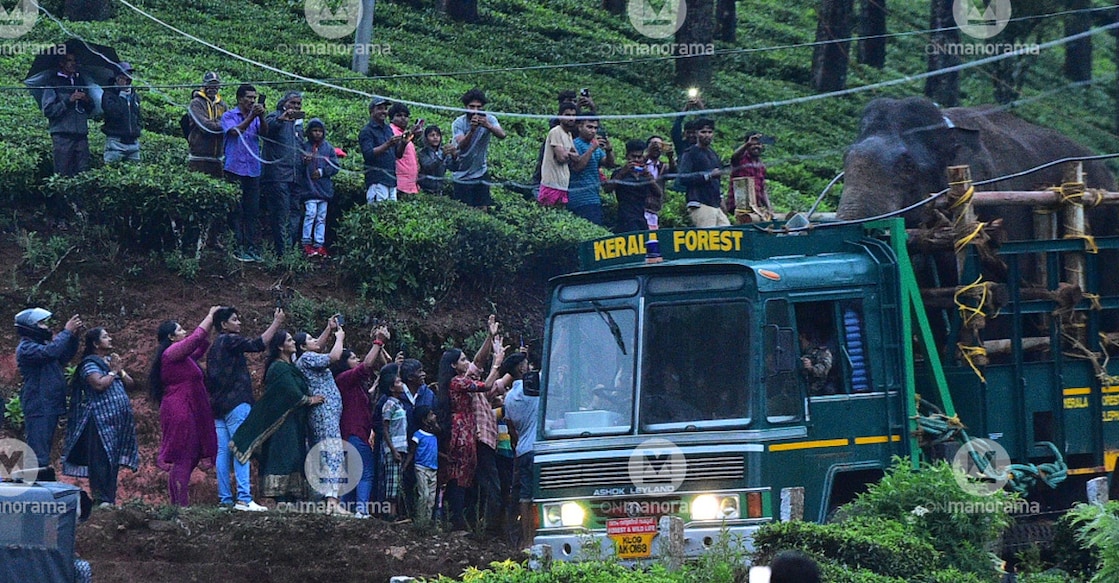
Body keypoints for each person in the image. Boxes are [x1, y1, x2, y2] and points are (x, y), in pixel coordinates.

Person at [205, 306, 284, 512]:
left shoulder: (213, 347)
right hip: (236, 403)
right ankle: (244, 498)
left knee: (223, 453)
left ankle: (225, 500)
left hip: (218, 406)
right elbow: (258, 344)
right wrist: (276, 323)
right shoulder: (229, 339)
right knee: (242, 447)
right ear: (224, 325)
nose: (239, 323)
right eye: (234, 319)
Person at [230, 331, 324, 504]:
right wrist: (309, 400)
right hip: (282, 423)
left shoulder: (290, 366)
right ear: (280, 346)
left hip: (295, 422)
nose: (293, 342)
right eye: (289, 340)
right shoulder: (278, 367)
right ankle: (281, 499)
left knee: (296, 456)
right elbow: (290, 392)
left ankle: (292, 499)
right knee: (285, 457)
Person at [148, 306, 220, 507]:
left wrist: (212, 323)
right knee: (184, 455)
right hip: (181, 410)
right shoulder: (171, 353)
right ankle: (180, 505)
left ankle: (179, 504)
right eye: (180, 330)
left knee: (193, 454)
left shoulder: (183, 358)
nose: (184, 332)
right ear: (171, 337)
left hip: (190, 409)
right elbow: (196, 338)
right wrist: (210, 316)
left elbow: (202, 344)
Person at [440, 316, 507, 530]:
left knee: (465, 477)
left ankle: (462, 521)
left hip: (468, 430)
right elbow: (486, 386)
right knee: (461, 476)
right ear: (454, 365)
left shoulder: (460, 379)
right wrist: (497, 363)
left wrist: (490, 336)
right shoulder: (458, 381)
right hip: (464, 432)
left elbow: (478, 363)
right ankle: (462, 522)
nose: (467, 362)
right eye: (462, 360)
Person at [61, 327, 139, 507]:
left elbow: (131, 384)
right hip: (98, 420)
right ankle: (101, 498)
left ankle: (109, 499)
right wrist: (112, 372)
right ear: (96, 344)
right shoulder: (89, 364)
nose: (110, 339)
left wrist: (119, 370)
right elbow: (98, 384)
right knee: (100, 459)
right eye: (105, 337)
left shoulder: (111, 362)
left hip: (117, 422)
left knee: (113, 459)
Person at [15, 308, 82, 476]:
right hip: (38, 404)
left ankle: (40, 485)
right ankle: (35, 492)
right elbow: (51, 352)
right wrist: (66, 332)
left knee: (44, 449)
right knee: (38, 453)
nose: (45, 327)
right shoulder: (26, 348)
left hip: (49, 403)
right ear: (30, 327)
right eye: (41, 323)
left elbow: (64, 355)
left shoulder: (42, 346)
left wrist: (73, 336)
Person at [293, 317, 348, 514]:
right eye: (311, 339)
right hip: (324, 413)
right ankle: (332, 501)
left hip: (325, 413)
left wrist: (328, 328)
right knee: (332, 452)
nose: (317, 341)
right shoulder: (307, 358)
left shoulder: (306, 357)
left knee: (325, 452)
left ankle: (326, 499)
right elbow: (333, 357)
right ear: (302, 346)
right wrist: (339, 338)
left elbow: (319, 346)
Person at [333, 326, 389, 517]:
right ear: (343, 362)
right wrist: (378, 341)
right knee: (365, 472)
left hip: (352, 432)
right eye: (352, 357)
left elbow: (376, 373)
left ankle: (348, 510)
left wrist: (380, 348)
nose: (356, 360)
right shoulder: (344, 378)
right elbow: (365, 366)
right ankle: (361, 510)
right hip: (355, 431)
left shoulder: (353, 384)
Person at [222, 84, 266, 262]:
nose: (252, 101)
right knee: (235, 210)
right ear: (239, 98)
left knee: (252, 211)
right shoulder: (229, 116)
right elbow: (234, 132)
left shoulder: (255, 117)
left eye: (254, 98)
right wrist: (251, 117)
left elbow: (264, 133)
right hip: (234, 168)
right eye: (249, 97)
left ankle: (251, 247)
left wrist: (261, 117)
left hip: (253, 169)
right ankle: (236, 247)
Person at [500, 353, 537, 547]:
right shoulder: (531, 389)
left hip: (522, 449)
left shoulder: (508, 398)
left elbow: (511, 427)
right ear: (521, 369)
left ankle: (528, 541)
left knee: (525, 496)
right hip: (537, 449)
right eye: (527, 364)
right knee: (538, 495)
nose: (530, 367)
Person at [261, 91, 305, 256]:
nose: (296, 107)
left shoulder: (298, 124)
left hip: (296, 175)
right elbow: (265, 129)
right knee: (281, 213)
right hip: (278, 175)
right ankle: (283, 253)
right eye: (293, 103)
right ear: (284, 104)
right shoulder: (275, 117)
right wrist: (282, 118)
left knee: (294, 213)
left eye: (298, 104)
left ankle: (290, 249)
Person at [451, 88, 506, 210]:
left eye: (478, 107)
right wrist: (472, 130)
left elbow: (502, 135)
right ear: (465, 106)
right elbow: (461, 145)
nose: (475, 110)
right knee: (464, 209)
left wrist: (488, 126)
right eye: (471, 106)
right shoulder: (458, 123)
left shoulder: (489, 119)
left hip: (480, 171)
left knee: (483, 207)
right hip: (462, 174)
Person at [41, 52, 91, 178]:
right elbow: (48, 110)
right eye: (69, 60)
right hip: (62, 136)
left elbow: (91, 109)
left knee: (83, 174)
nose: (73, 63)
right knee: (62, 174)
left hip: (81, 135)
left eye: (74, 60)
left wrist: (86, 99)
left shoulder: (81, 81)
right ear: (61, 63)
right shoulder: (53, 82)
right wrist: (69, 100)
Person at [296, 118, 340, 258]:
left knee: (321, 217)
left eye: (320, 131)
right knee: (310, 214)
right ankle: (306, 243)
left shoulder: (328, 148)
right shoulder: (304, 146)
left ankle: (319, 244)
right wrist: (304, 163)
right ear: (309, 132)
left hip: (324, 190)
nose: (317, 134)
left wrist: (322, 172)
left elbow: (335, 165)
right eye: (314, 131)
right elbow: (297, 166)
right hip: (309, 189)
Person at [678, 118, 730, 228]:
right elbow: (683, 178)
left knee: (728, 236)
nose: (707, 135)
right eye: (703, 132)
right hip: (700, 202)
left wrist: (720, 200)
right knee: (708, 240)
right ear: (696, 133)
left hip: (715, 204)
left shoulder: (713, 154)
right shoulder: (690, 153)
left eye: (710, 132)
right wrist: (708, 175)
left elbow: (717, 180)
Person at [605, 139, 662, 233]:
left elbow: (658, 194)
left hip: (641, 217)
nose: (636, 160)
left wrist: (649, 179)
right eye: (633, 157)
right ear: (627, 156)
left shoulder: (645, 175)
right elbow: (607, 189)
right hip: (625, 218)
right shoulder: (619, 173)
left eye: (639, 157)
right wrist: (622, 173)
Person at [567, 118, 615, 225]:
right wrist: (592, 149)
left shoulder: (595, 147)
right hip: (578, 198)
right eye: (589, 127)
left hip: (593, 198)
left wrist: (609, 150)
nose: (593, 131)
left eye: (595, 128)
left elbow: (609, 164)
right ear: (580, 127)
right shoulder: (574, 144)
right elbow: (578, 167)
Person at [359, 96, 406, 203]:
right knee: (378, 211)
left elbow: (397, 154)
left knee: (391, 213)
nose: (383, 111)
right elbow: (368, 154)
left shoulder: (388, 129)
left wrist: (403, 143)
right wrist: (388, 144)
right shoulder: (367, 131)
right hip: (377, 180)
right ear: (371, 111)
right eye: (380, 108)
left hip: (391, 180)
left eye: (385, 108)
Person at [379, 363, 409, 520]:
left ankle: (395, 513)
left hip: (400, 447)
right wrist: (393, 450)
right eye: (398, 382)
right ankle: (390, 514)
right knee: (392, 481)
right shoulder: (389, 405)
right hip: (393, 449)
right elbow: (385, 428)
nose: (401, 384)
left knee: (397, 481)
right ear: (391, 388)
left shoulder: (399, 404)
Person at [537, 102, 578, 207]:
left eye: (573, 115)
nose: (571, 118)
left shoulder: (568, 134)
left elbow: (576, 156)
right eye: (568, 115)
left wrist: (567, 154)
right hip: (551, 184)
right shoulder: (555, 132)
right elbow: (561, 157)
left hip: (563, 185)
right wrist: (569, 155)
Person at [187, 72, 228, 177]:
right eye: (209, 84)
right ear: (204, 85)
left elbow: (227, 123)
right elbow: (205, 126)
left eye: (215, 85)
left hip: (217, 158)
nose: (212, 88)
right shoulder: (196, 103)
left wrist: (219, 124)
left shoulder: (222, 105)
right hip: (199, 157)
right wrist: (220, 124)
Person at [100, 62, 141, 164]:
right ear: (117, 78)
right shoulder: (109, 94)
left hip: (133, 143)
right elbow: (113, 113)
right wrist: (122, 95)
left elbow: (137, 115)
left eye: (129, 76)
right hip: (116, 142)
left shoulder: (134, 94)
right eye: (124, 76)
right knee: (111, 170)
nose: (127, 79)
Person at [726, 132, 772, 222]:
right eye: (753, 144)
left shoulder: (761, 166)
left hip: (755, 207)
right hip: (739, 207)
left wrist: (769, 208)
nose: (756, 147)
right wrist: (747, 144)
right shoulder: (741, 159)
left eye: (759, 144)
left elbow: (763, 189)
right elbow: (734, 156)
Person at [406, 405, 439, 524]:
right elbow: (412, 452)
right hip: (421, 468)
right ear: (424, 420)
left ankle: (427, 521)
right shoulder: (418, 435)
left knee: (431, 498)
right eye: (431, 415)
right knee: (423, 495)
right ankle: (420, 520)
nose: (434, 416)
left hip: (433, 469)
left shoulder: (434, 434)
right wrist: (405, 466)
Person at [388, 103, 423, 196]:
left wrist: (413, 135)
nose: (403, 118)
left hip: (409, 184)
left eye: (406, 116)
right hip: (401, 184)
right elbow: (398, 151)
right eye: (399, 115)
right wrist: (411, 133)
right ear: (391, 118)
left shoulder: (403, 133)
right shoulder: (391, 131)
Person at [417, 126, 457, 195]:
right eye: (432, 135)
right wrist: (442, 156)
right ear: (426, 138)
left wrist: (454, 156)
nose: (435, 137)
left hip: (439, 190)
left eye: (438, 135)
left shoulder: (442, 151)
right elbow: (428, 167)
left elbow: (453, 168)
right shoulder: (423, 153)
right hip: (425, 190)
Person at [800, 331, 834, 396]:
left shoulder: (821, 352)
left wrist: (811, 368)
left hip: (818, 391)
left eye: (801, 339)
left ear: (804, 337)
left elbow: (823, 370)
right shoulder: (800, 352)